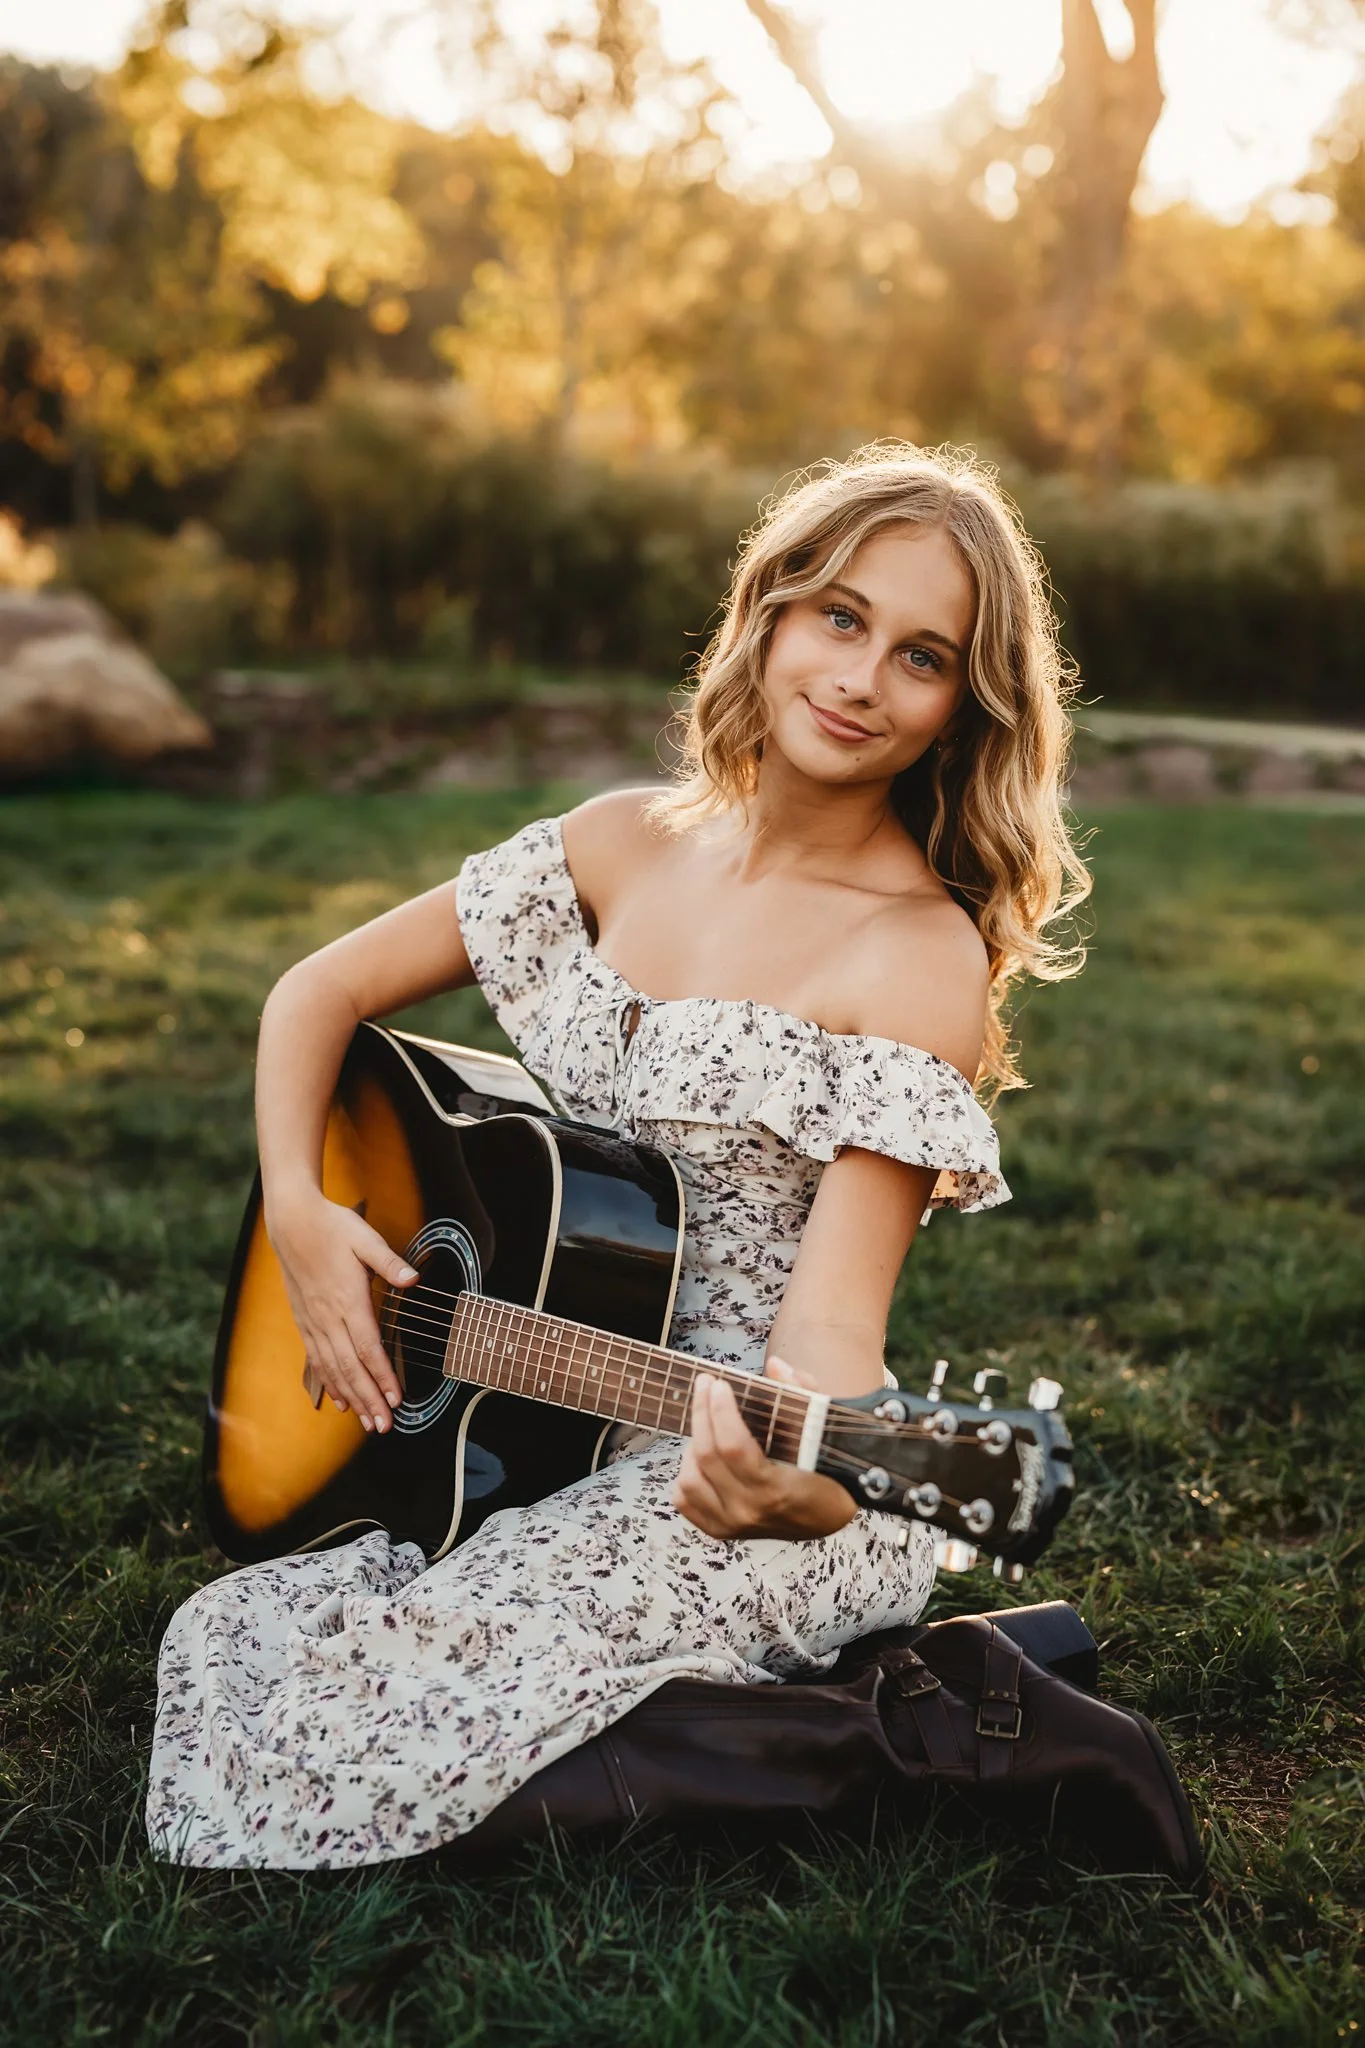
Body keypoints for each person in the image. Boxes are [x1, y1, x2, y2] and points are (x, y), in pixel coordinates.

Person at [147, 443, 1089, 1868]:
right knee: (256, 1644)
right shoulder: (616, 845)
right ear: (770, 612)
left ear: (964, 704)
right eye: (840, 617)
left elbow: (832, 1337)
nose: (859, 678)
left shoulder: (917, 956)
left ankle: (899, 1729)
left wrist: (815, 1485)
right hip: (511, 1397)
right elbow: (313, 995)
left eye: (922, 657)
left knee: (325, 1707)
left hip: (723, 1453)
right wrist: (302, 1208)